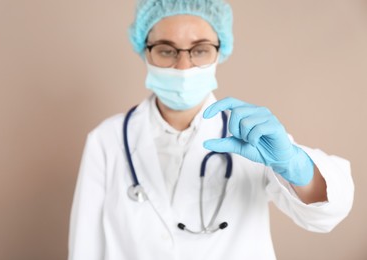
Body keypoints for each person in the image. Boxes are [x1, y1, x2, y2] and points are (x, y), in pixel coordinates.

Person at [68, 0, 354, 259]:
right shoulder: (106, 140)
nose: (183, 65)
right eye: (166, 50)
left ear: (220, 52)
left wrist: (292, 163)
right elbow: (85, 247)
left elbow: (326, 214)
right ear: (145, 51)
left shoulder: (250, 134)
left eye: (200, 50)